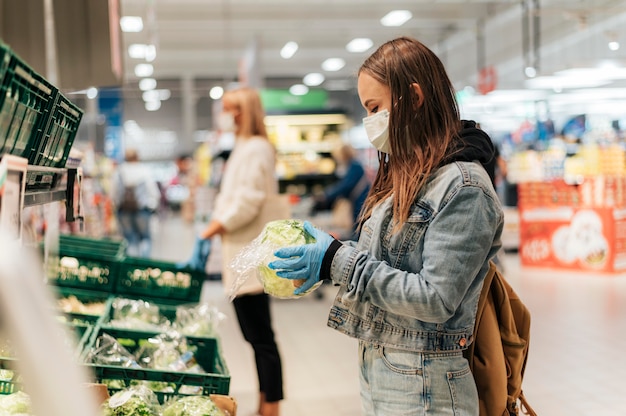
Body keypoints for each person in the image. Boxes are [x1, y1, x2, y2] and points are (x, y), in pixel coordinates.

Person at [268, 37, 504, 415]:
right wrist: (332, 255)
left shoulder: (464, 186)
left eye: (375, 107)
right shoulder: (404, 175)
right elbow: (388, 263)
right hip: (386, 370)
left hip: (427, 386)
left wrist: (338, 262)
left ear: (413, 98)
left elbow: (436, 298)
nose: (369, 121)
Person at [193, 87, 284, 416]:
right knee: (255, 335)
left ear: (244, 111)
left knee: (261, 337)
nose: (225, 114)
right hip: (243, 253)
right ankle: (266, 403)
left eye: (231, 108)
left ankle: (271, 406)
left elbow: (248, 200)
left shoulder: (257, 148)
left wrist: (214, 227)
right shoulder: (243, 147)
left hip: (251, 254)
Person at [312, 143, 371, 238]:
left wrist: (326, 195)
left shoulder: (354, 166)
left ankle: (358, 246)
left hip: (361, 202)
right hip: (359, 201)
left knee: (358, 226)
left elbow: (345, 186)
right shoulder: (352, 165)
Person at [111, 148, 160, 257]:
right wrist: (153, 206)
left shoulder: (119, 171)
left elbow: (113, 193)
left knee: (130, 239)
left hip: (124, 211)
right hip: (142, 210)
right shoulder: (144, 170)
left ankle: (132, 265)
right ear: (137, 157)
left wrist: (117, 204)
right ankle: (143, 264)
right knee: (145, 238)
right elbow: (154, 192)